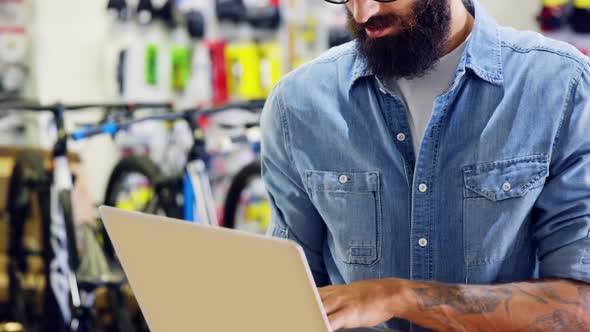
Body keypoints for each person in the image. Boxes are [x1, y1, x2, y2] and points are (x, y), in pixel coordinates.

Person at [260, 0, 590, 331]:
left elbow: (580, 307)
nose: (362, 13)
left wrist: (398, 298)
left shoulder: (562, 87)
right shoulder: (298, 104)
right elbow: (290, 297)